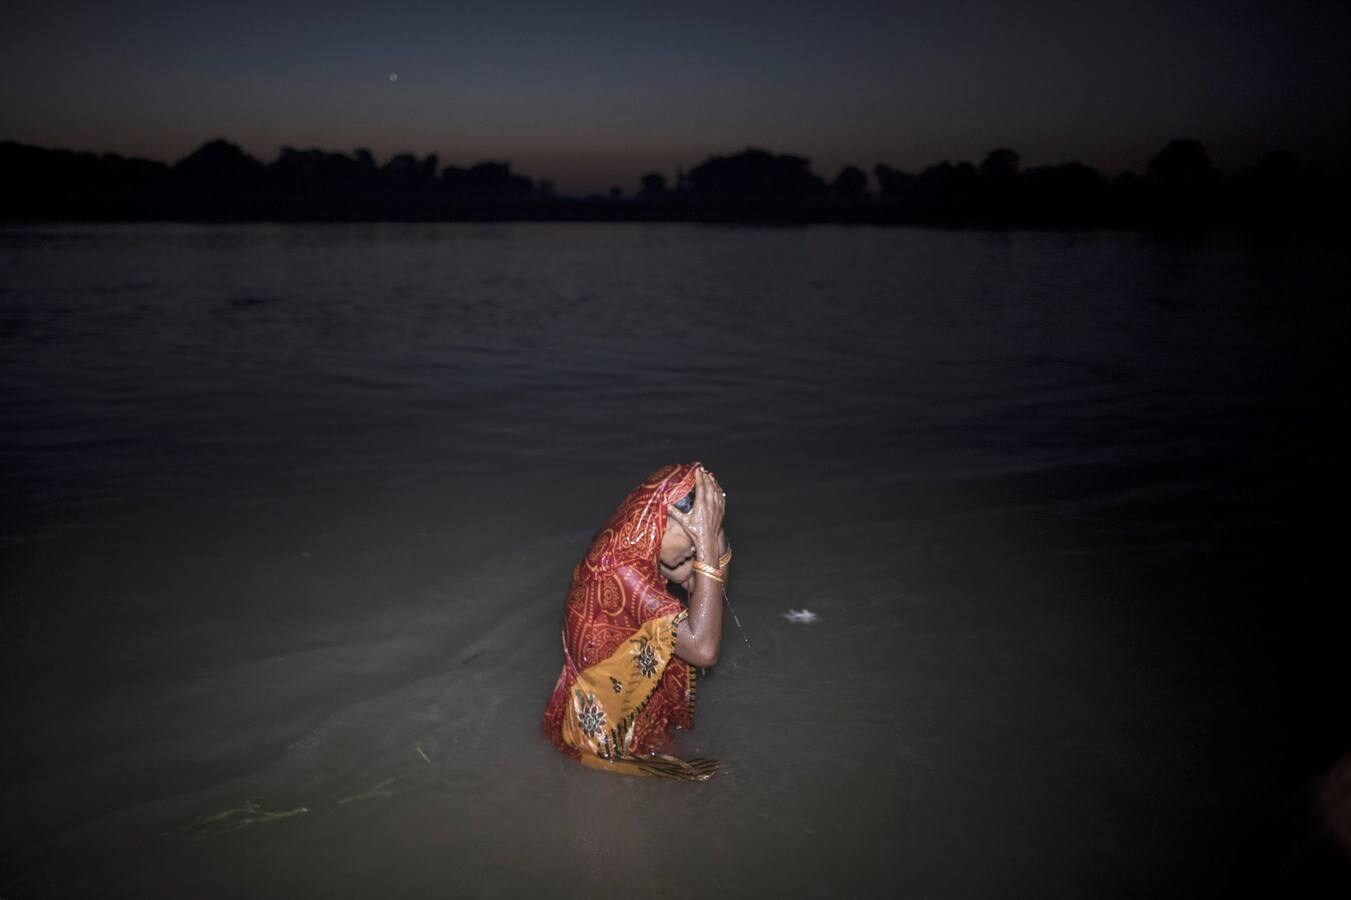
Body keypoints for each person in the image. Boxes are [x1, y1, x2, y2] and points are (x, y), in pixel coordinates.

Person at [541, 462, 730, 780]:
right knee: (691, 783)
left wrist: (712, 536)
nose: (694, 555)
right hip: (608, 723)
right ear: (667, 519)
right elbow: (704, 649)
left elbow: (698, 587)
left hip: (631, 689)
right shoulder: (624, 568)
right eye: (693, 542)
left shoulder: (642, 526)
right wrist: (709, 546)